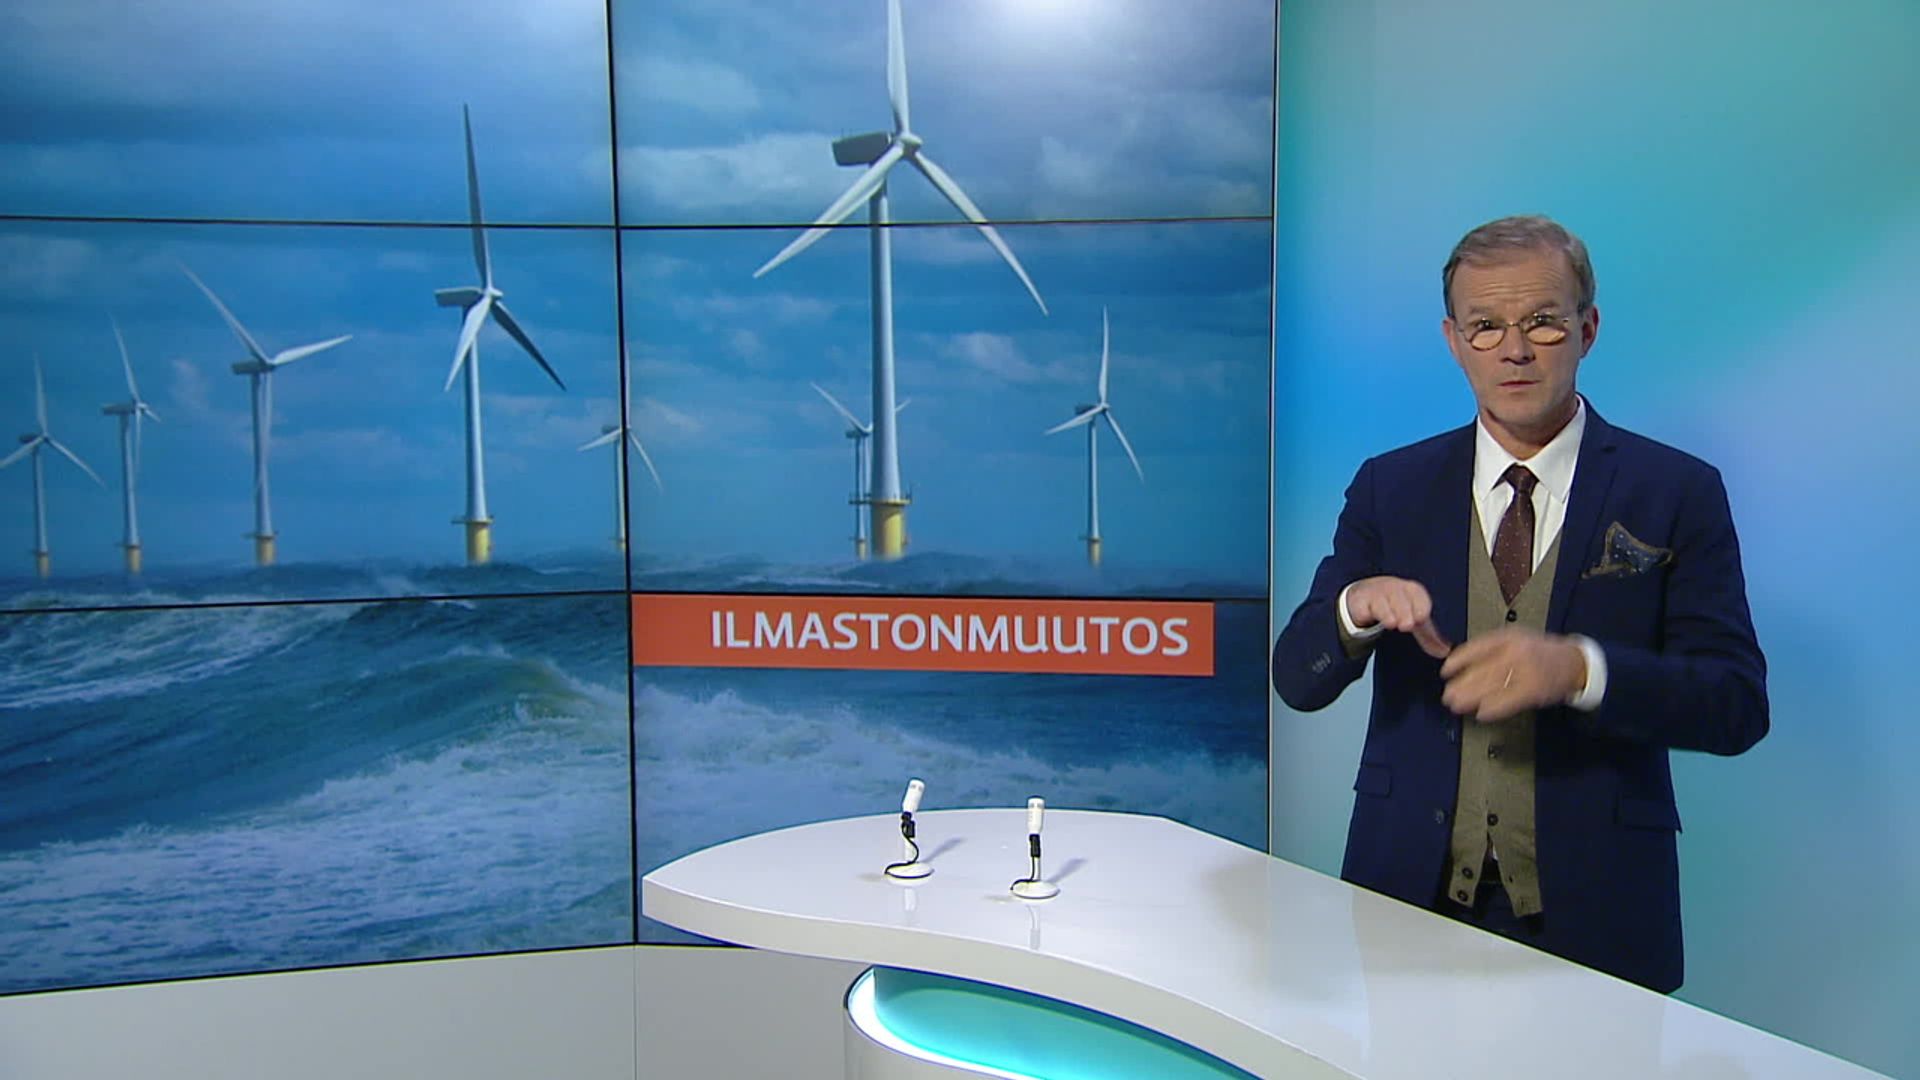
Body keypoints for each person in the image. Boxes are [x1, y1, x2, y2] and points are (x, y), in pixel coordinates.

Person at [1270, 214, 1767, 993]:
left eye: (1542, 322)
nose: (1514, 350)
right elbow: (1297, 680)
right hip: (1403, 901)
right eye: (1486, 326)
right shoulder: (1389, 487)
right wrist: (1353, 608)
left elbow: (1736, 705)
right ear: (1453, 340)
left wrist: (1579, 671)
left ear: (1587, 329)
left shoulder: (1677, 491)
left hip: (1603, 911)